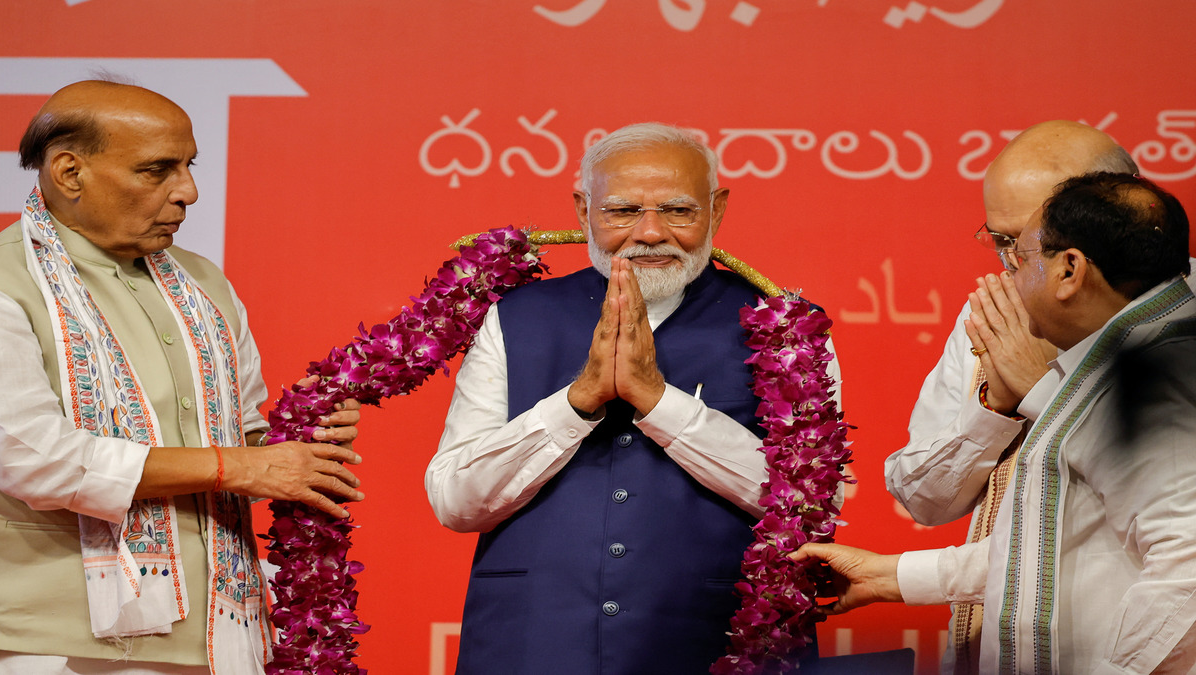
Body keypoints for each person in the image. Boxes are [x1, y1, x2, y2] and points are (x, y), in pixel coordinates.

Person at [425, 122, 840, 674]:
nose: (650, 233)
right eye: (622, 211)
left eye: (678, 210)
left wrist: (660, 402)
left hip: (711, 640)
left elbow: (813, 503)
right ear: (583, 211)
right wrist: (576, 402)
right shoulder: (515, 317)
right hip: (532, 642)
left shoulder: (787, 328)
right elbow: (455, 500)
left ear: (716, 210)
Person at [0, 80, 365, 674]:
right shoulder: (4, 283)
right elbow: (37, 460)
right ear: (68, 172)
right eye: (156, 170)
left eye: (189, 166)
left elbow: (243, 439)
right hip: (57, 642)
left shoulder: (203, 284)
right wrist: (238, 466)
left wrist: (297, 442)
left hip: (223, 635)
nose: (187, 191)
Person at [799, 172, 1196, 674]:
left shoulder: (1158, 377)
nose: (1009, 278)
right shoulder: (1117, 362)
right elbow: (1056, 546)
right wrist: (889, 577)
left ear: (1069, 270)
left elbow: (1187, 572)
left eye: (1021, 257)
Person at [884, 121, 1139, 673]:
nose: (1012, 264)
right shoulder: (994, 313)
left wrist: (1042, 390)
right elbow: (922, 499)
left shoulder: (1180, 317)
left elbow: (1161, 520)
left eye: (1029, 242)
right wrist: (993, 409)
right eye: (1000, 241)